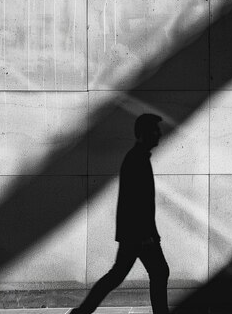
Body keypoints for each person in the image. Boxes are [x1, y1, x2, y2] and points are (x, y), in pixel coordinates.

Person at [72, 113, 170, 314]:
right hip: (138, 235)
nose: (159, 134)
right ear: (144, 133)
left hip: (136, 234)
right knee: (156, 272)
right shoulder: (137, 160)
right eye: (155, 130)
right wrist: (146, 236)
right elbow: (135, 203)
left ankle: (81, 313)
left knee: (120, 275)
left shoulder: (138, 157)